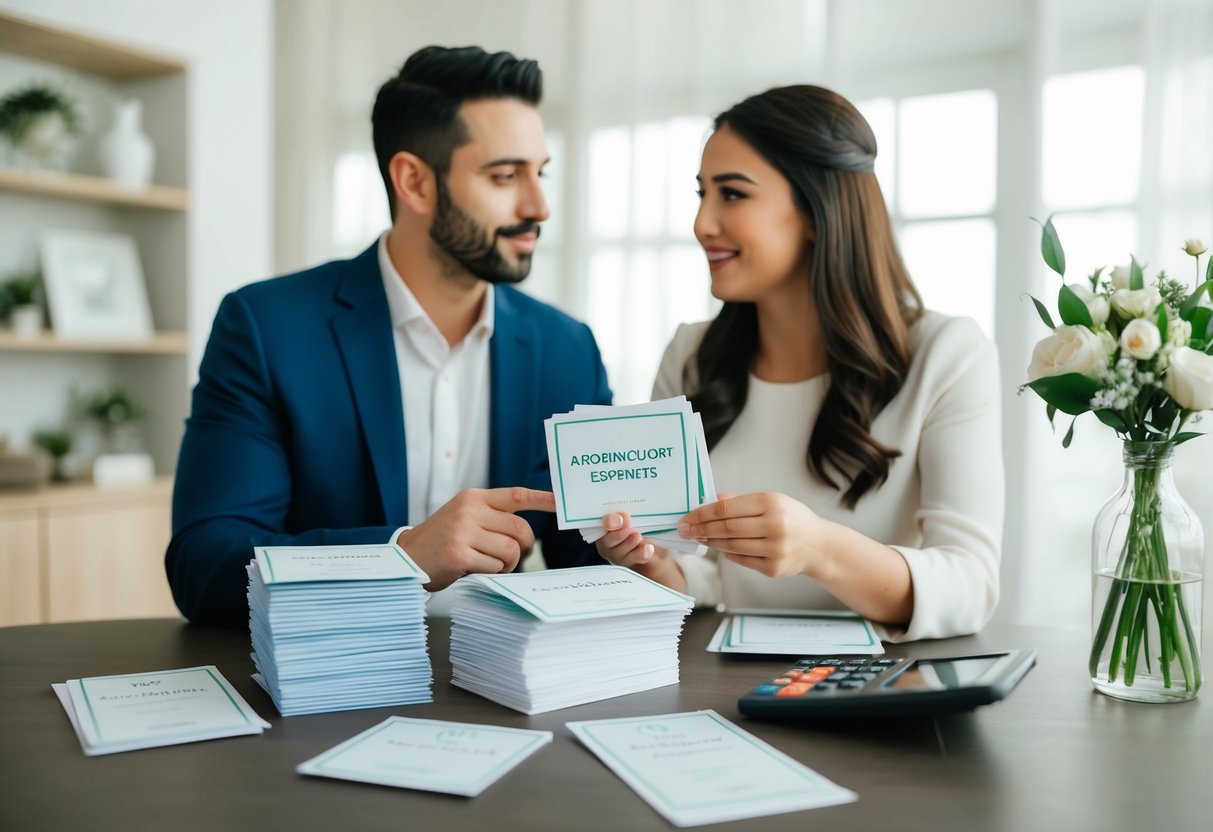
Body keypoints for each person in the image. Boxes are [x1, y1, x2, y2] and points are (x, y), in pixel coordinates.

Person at [167, 46, 610, 626]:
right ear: (415, 183)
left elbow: (591, 562)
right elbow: (206, 565)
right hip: (322, 685)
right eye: (505, 176)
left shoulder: (567, 348)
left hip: (502, 687)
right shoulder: (266, 327)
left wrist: (644, 547)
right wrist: (399, 555)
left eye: (540, 172)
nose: (539, 206)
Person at [595, 85, 1002, 641]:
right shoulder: (689, 357)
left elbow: (970, 583)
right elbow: (700, 579)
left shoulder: (948, 354)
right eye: (701, 193)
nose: (702, 224)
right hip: (720, 685)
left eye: (733, 194)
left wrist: (820, 547)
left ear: (817, 210)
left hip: (875, 696)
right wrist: (649, 562)